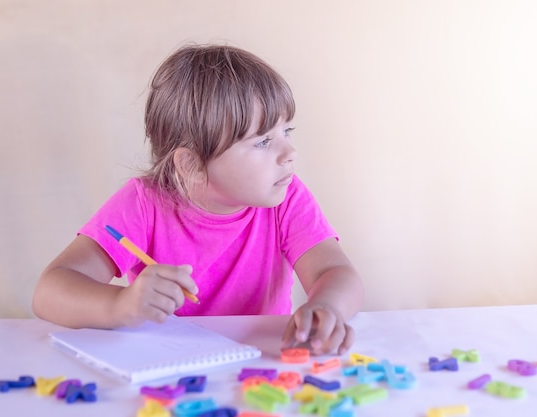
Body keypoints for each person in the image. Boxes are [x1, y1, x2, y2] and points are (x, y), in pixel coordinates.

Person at [32, 43, 363, 355]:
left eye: (286, 132)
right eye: (263, 141)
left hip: (260, 364)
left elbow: (333, 271)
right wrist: (121, 305)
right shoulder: (143, 203)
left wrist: (327, 306)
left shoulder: (287, 197)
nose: (289, 153)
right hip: (167, 367)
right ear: (191, 164)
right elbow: (49, 291)